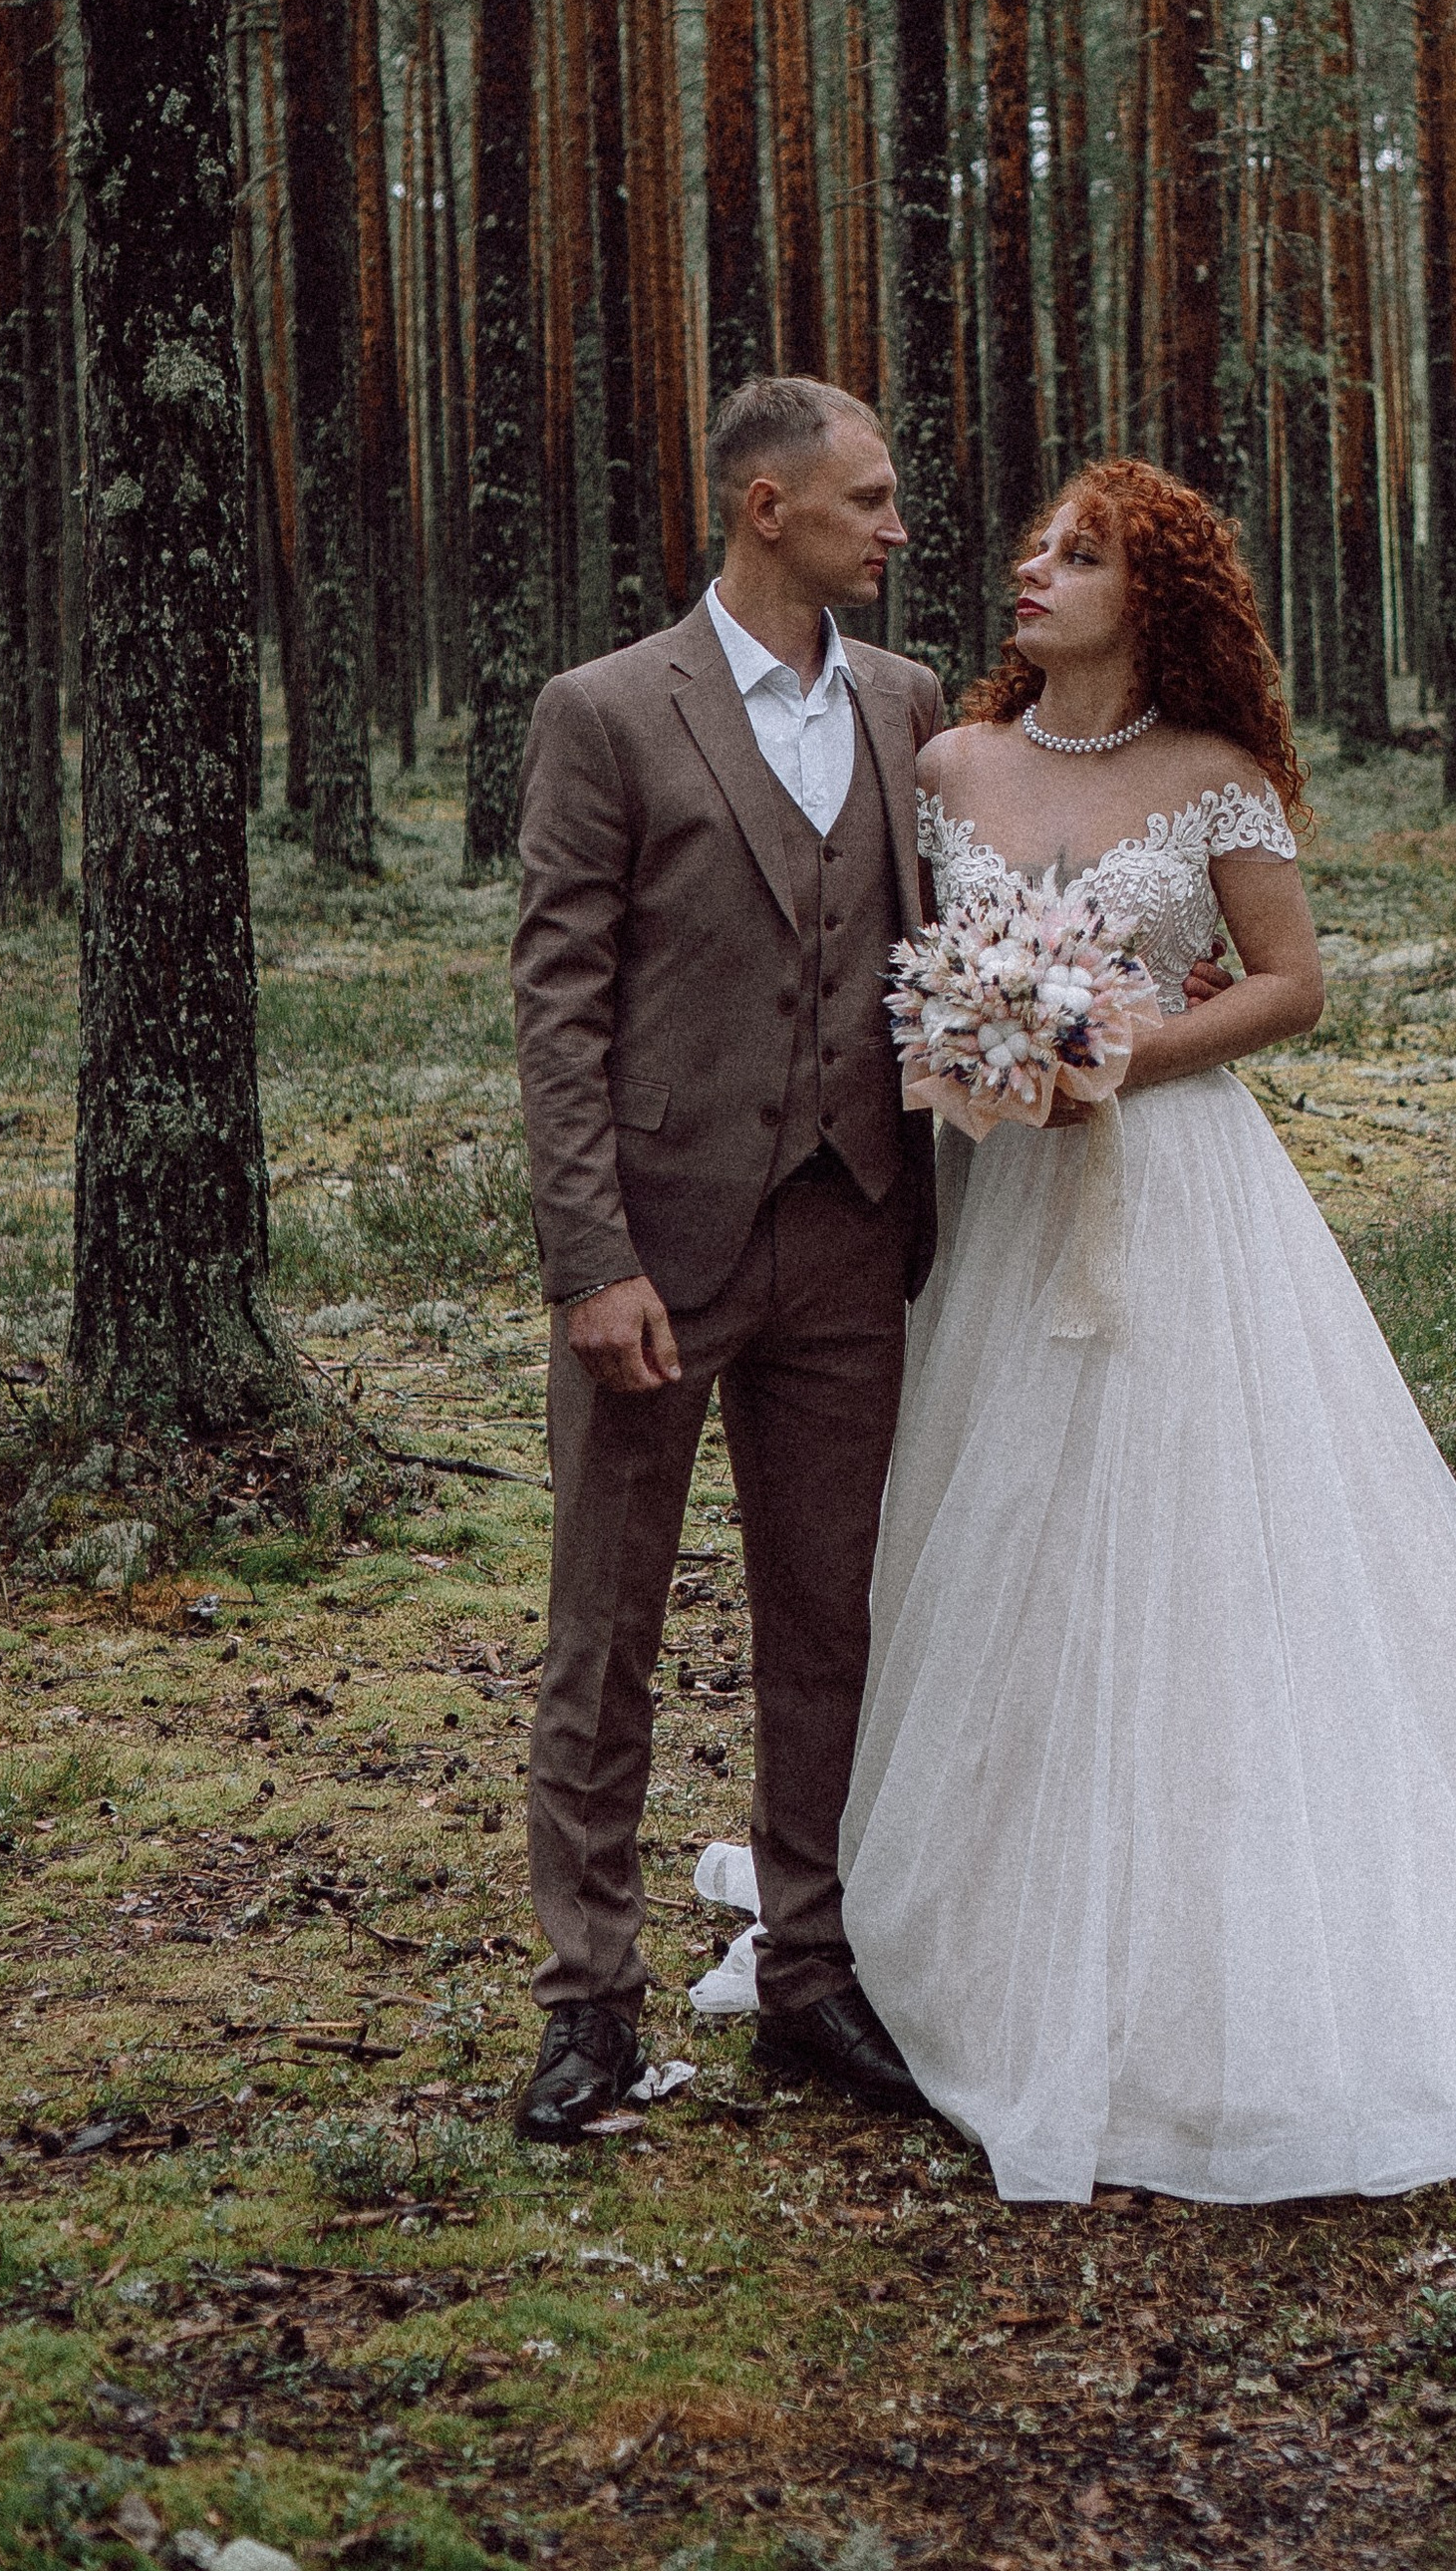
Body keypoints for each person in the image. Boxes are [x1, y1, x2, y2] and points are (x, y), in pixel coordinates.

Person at [839, 459, 1456, 2204]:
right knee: (1003, 1534)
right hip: (996, 1201)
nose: (1036, 572)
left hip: (1181, 1198)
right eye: (1035, 549)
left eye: (1084, 555)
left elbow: (1293, 982)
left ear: (1159, 597)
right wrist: (988, 1054)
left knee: (1209, 1537)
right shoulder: (945, 770)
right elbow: (908, 976)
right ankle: (983, 1903)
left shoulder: (1216, 784)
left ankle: (1221, 1924)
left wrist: (1131, 1052)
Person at [506, 375, 947, 2144]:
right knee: (602, 1633)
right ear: (769, 508)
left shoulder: (915, 706)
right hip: (659, 1262)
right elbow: (557, 1006)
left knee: (828, 1619)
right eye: (870, 500)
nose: (899, 528)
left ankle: (811, 1973)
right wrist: (589, 1258)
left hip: (854, 1240)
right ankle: (586, 2007)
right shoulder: (606, 712)